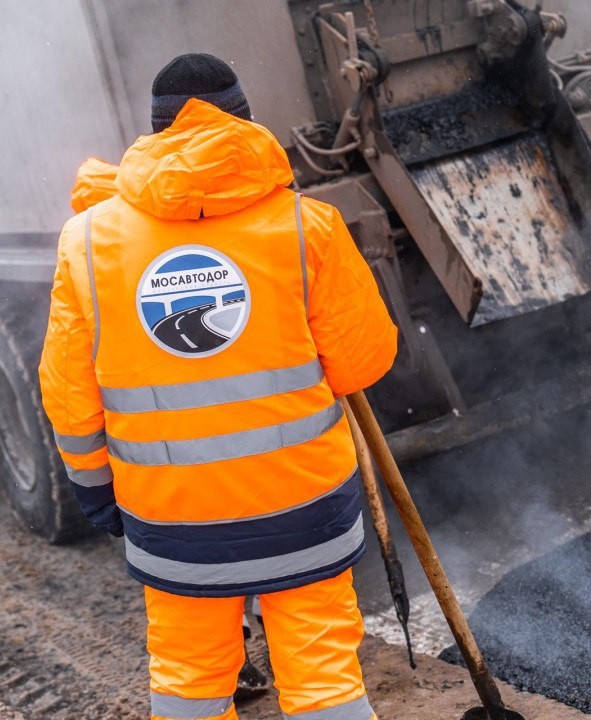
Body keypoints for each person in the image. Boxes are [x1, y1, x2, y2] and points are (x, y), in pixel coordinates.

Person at [40, 53, 397, 720]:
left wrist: (97, 495)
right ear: (246, 122)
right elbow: (363, 365)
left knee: (188, 684)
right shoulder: (305, 226)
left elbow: (69, 397)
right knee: (323, 679)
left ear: (154, 132)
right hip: (305, 511)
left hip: (172, 523)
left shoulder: (85, 244)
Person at [69, 155, 270, 699]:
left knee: (188, 581)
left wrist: (95, 486)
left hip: (154, 471)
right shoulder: (181, 238)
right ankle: (247, 644)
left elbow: (73, 390)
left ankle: (231, 661)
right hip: (239, 452)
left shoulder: (94, 260)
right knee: (242, 544)